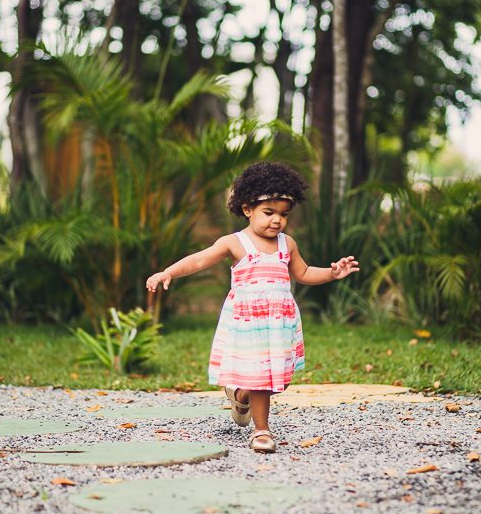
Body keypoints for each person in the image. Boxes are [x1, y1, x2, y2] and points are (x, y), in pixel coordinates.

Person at [146, 161, 359, 453]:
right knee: (262, 379)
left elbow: (305, 273)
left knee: (274, 379)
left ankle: (241, 396)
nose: (277, 220)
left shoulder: (287, 244)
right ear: (247, 209)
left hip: (278, 322)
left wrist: (332, 273)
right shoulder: (235, 243)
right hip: (248, 322)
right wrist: (168, 272)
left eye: (284, 214)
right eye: (269, 212)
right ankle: (261, 431)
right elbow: (199, 259)